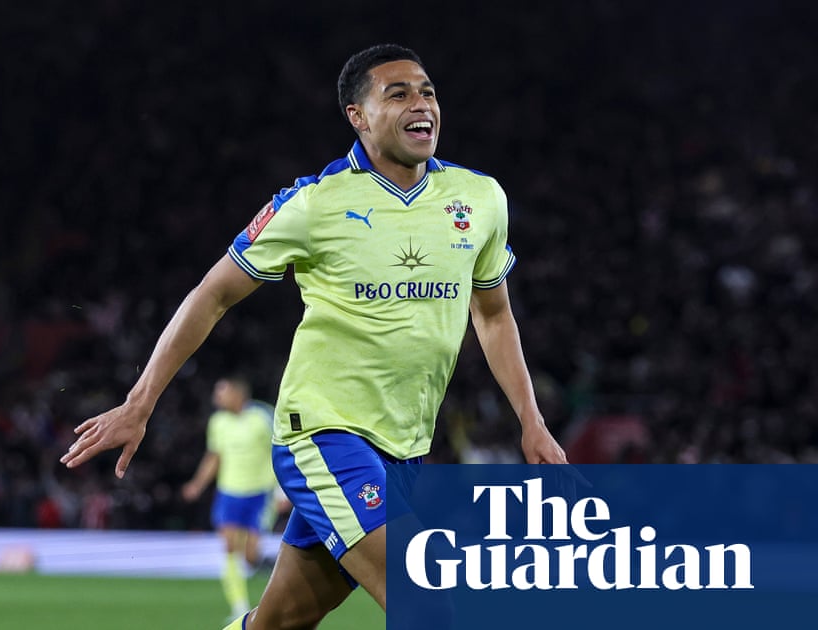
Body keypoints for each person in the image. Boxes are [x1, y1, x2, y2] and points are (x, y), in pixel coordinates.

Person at [61, 44, 568, 629]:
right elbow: (213, 293)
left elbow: (494, 315)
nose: (421, 104)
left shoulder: (480, 199)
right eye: (398, 94)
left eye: (427, 91)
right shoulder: (313, 203)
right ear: (358, 116)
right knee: (424, 601)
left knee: (279, 623)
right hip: (324, 435)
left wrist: (531, 421)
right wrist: (140, 401)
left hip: (403, 447)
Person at [181, 376, 277, 621]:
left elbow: (280, 451)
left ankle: (273, 572)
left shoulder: (263, 417)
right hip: (229, 493)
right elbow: (214, 457)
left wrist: (281, 490)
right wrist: (197, 485)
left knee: (250, 555)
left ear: (238, 394)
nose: (216, 398)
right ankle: (239, 607)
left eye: (221, 392)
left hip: (260, 493)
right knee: (229, 546)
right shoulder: (218, 422)